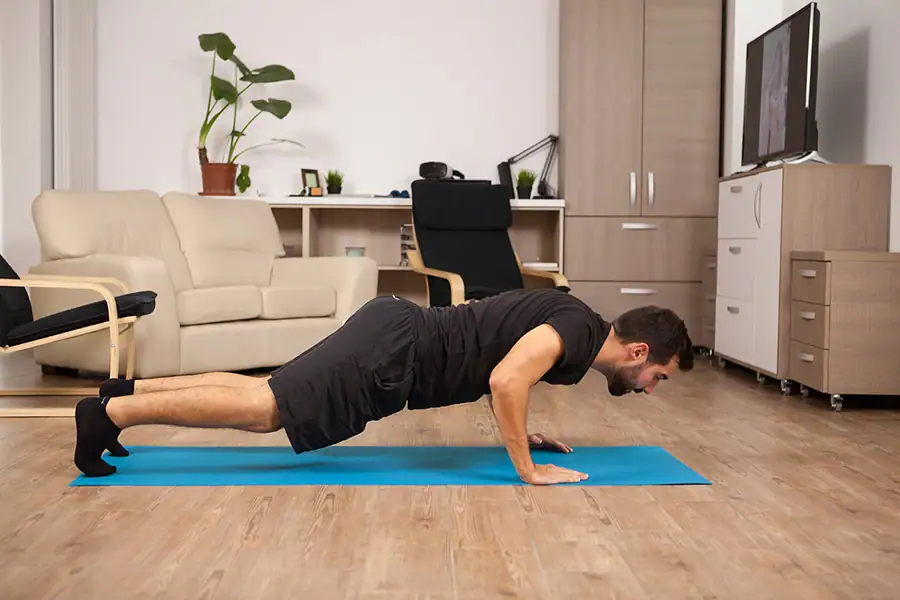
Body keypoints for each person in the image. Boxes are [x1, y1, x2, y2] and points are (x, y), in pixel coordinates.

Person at [73, 287, 694, 484]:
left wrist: (521, 431)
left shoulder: (575, 327)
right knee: (268, 409)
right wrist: (525, 467)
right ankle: (111, 417)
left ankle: (123, 391)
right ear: (639, 351)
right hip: (393, 352)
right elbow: (506, 379)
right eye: (656, 376)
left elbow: (499, 366)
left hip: (395, 337)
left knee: (271, 387)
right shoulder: (575, 332)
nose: (649, 387)